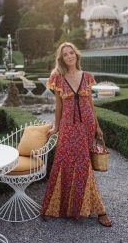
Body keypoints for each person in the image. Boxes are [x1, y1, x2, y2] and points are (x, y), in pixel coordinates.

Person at [41, 42, 112, 227]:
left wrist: (97, 126)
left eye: (71, 53)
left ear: (76, 55)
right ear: (62, 58)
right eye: (65, 54)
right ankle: (66, 206)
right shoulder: (57, 78)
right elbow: (58, 105)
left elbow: (90, 103)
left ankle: (100, 210)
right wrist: (56, 127)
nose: (69, 56)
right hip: (67, 126)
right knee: (64, 162)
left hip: (86, 125)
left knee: (83, 164)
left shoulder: (86, 76)